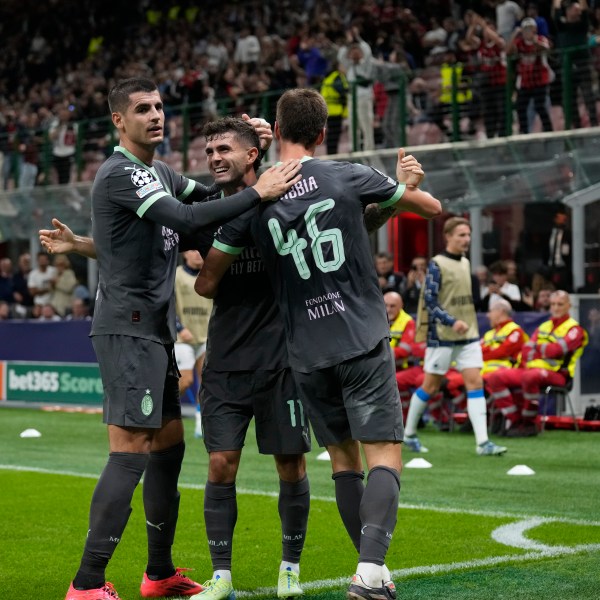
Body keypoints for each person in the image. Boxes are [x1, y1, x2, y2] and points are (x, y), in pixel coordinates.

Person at [38, 77, 302, 600]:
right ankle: (86, 584)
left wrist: (255, 159)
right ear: (119, 120)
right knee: (130, 453)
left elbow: (210, 198)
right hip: (126, 330)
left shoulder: (157, 172)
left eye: (159, 106)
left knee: (169, 451)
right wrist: (259, 188)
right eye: (142, 109)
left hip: (154, 333)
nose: (156, 115)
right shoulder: (121, 174)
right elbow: (185, 217)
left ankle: (158, 574)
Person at [195, 88, 442, 600]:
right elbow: (431, 207)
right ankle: (369, 572)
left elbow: (208, 275)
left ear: (274, 134)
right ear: (324, 134)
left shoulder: (253, 201)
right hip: (360, 337)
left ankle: (374, 575)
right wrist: (403, 186)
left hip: (304, 354)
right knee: (384, 459)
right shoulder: (344, 174)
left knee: (343, 463)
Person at [179, 117, 313, 600]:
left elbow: (308, 153)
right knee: (220, 465)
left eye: (224, 149)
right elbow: (194, 277)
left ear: (253, 154)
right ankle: (221, 577)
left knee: (291, 467)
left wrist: (270, 135)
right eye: (208, 149)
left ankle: (290, 570)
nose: (214, 157)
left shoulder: (288, 194)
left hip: (283, 363)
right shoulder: (204, 210)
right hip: (226, 361)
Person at [404, 217, 508, 456]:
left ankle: (483, 443)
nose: (466, 239)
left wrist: (463, 323)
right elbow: (429, 301)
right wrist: (452, 321)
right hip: (442, 335)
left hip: (468, 334)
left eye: (468, 235)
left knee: (475, 382)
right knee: (430, 385)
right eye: (461, 235)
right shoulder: (437, 264)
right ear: (448, 236)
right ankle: (409, 433)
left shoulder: (465, 262)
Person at [487, 290, 587, 437]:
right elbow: (527, 349)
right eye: (553, 304)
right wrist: (545, 350)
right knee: (494, 377)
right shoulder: (543, 326)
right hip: (531, 370)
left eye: (560, 304)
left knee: (530, 377)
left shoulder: (575, 329)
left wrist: (538, 348)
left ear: (569, 306)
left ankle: (529, 423)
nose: (556, 307)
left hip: (558, 374)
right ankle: (515, 421)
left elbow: (556, 351)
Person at [552, 0, 598, 129]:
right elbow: (556, 12)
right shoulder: (562, 25)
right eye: (574, 8)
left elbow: (584, 11)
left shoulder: (582, 24)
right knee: (570, 97)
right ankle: (575, 125)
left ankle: (594, 124)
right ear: (567, 11)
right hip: (567, 67)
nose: (577, 11)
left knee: (588, 95)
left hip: (582, 64)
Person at [506, 18, 553, 134]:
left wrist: (534, 41)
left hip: (540, 80)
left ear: (535, 29)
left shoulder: (541, 39)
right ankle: (524, 131)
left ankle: (548, 130)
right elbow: (508, 51)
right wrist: (514, 34)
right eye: (525, 29)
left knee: (540, 106)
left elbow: (546, 48)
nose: (527, 32)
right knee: (520, 107)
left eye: (530, 29)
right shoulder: (519, 43)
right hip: (525, 81)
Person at [320, 62, 349, 155]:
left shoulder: (328, 77)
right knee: (334, 134)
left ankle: (331, 153)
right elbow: (341, 89)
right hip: (336, 109)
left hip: (329, 109)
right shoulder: (337, 76)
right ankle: (333, 154)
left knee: (332, 134)